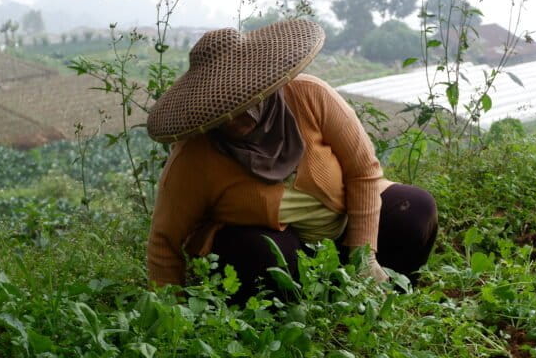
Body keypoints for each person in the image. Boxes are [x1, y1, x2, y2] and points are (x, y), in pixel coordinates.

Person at [146, 19, 437, 301]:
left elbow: (363, 172)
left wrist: (364, 255)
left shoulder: (310, 95)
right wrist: (171, 309)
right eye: (224, 107)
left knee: (414, 210)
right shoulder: (195, 154)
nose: (236, 116)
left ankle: (386, 295)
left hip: (344, 228)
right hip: (278, 247)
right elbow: (164, 239)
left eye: (244, 100)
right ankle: (294, 305)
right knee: (259, 253)